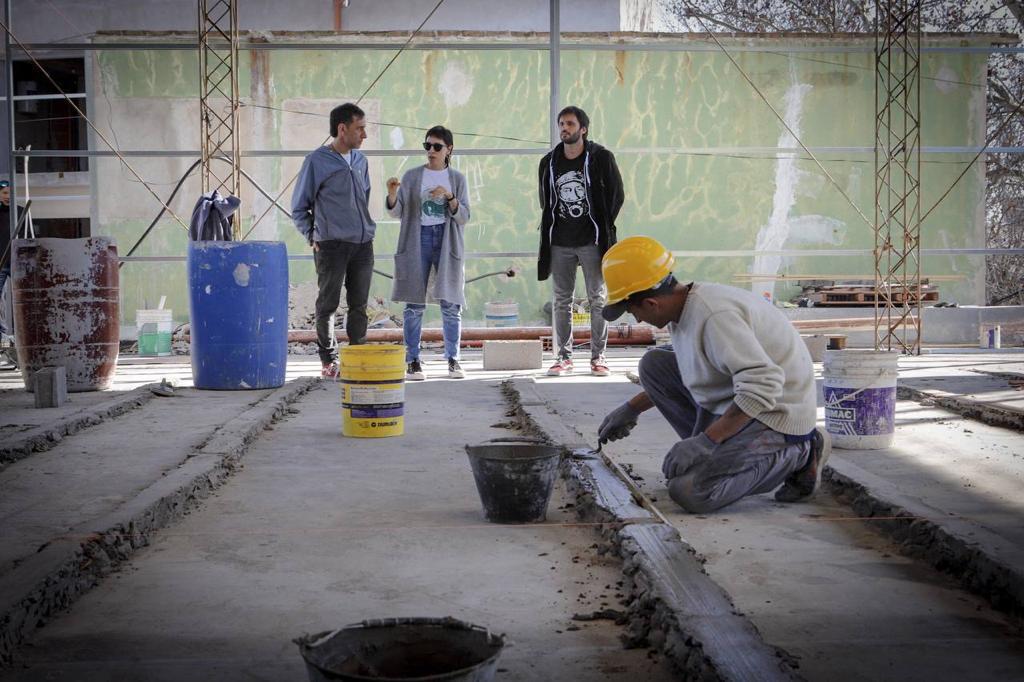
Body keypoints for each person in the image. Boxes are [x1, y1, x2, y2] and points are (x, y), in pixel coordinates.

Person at [596, 236, 830, 514]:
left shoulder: (715, 316)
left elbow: (762, 386)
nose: (636, 320)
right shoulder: (682, 308)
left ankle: (803, 453)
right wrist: (632, 408)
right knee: (654, 365)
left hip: (776, 414)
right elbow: (696, 370)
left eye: (633, 311)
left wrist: (707, 441)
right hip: (744, 397)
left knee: (690, 491)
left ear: (651, 303)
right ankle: (718, 451)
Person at [291, 103, 377, 378]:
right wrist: (312, 235)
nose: (364, 134)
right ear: (342, 129)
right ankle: (329, 360)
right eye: (359, 128)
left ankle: (357, 356)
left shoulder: (361, 161)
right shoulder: (316, 161)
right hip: (331, 246)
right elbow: (299, 207)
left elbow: (363, 198)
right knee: (328, 305)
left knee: (359, 305)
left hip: (363, 244)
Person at [538, 105, 624, 377]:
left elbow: (617, 195)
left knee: (597, 298)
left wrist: (603, 225)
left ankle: (599, 357)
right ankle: (563, 358)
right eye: (561, 124)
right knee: (562, 300)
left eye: (570, 124)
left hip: (592, 240)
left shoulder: (601, 158)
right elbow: (545, 200)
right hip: (560, 241)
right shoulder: (549, 162)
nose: (564, 128)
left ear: (583, 129)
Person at [385, 126, 470, 380]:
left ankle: (453, 359)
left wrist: (449, 196)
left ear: (448, 149)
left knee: (451, 302)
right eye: (427, 146)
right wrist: (392, 195)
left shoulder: (457, 179)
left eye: (437, 146)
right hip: (417, 239)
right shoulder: (412, 176)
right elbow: (397, 212)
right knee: (414, 303)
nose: (431, 151)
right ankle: (412, 360)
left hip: (447, 240)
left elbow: (464, 216)